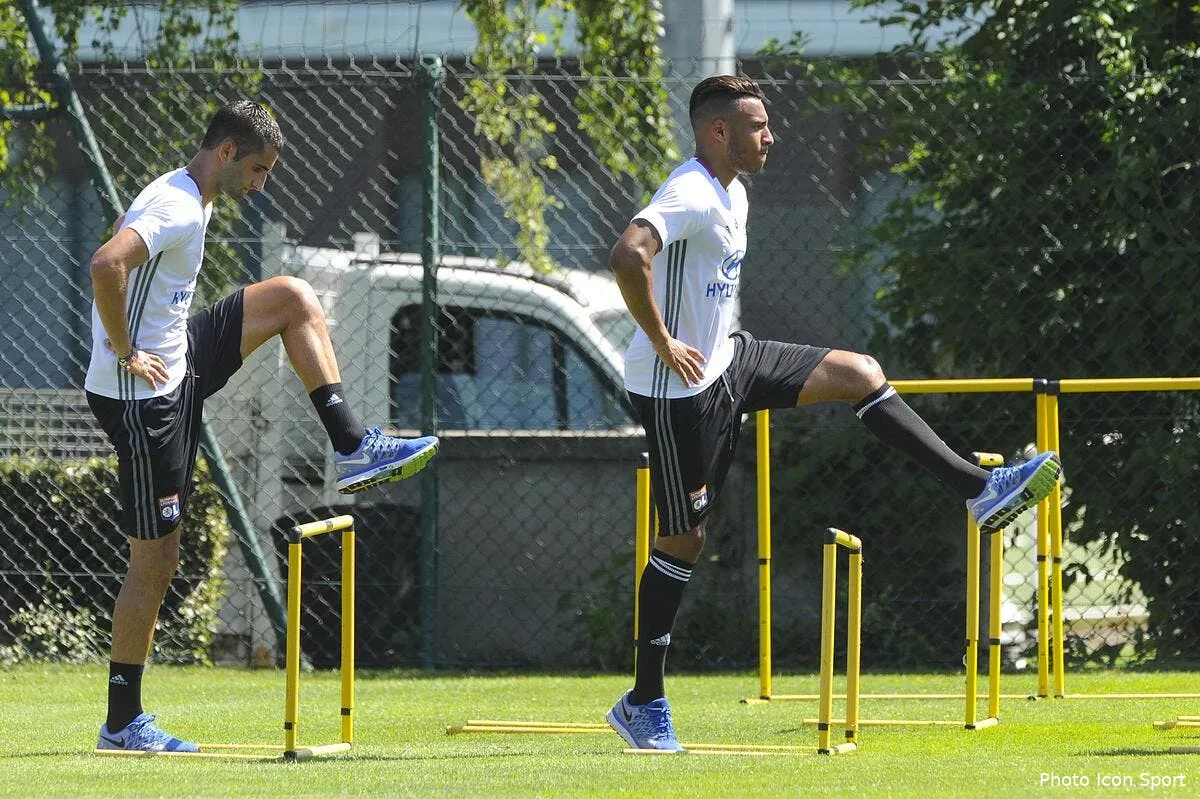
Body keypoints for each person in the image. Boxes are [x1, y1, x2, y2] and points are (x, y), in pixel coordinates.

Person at [604, 75, 1061, 752]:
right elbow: (628, 253)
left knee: (860, 373)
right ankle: (643, 701)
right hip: (678, 390)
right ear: (719, 132)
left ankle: (979, 489)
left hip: (732, 360)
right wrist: (665, 342)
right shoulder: (692, 191)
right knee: (684, 541)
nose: (771, 136)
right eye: (757, 126)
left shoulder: (735, 193)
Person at [86, 100, 438, 753]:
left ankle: (352, 444)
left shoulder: (183, 192)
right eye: (258, 168)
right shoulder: (179, 205)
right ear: (226, 152)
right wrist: (126, 349)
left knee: (293, 298)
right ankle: (121, 722)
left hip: (178, 361)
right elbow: (108, 262)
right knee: (156, 557)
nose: (261, 182)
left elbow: (121, 232)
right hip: (144, 394)